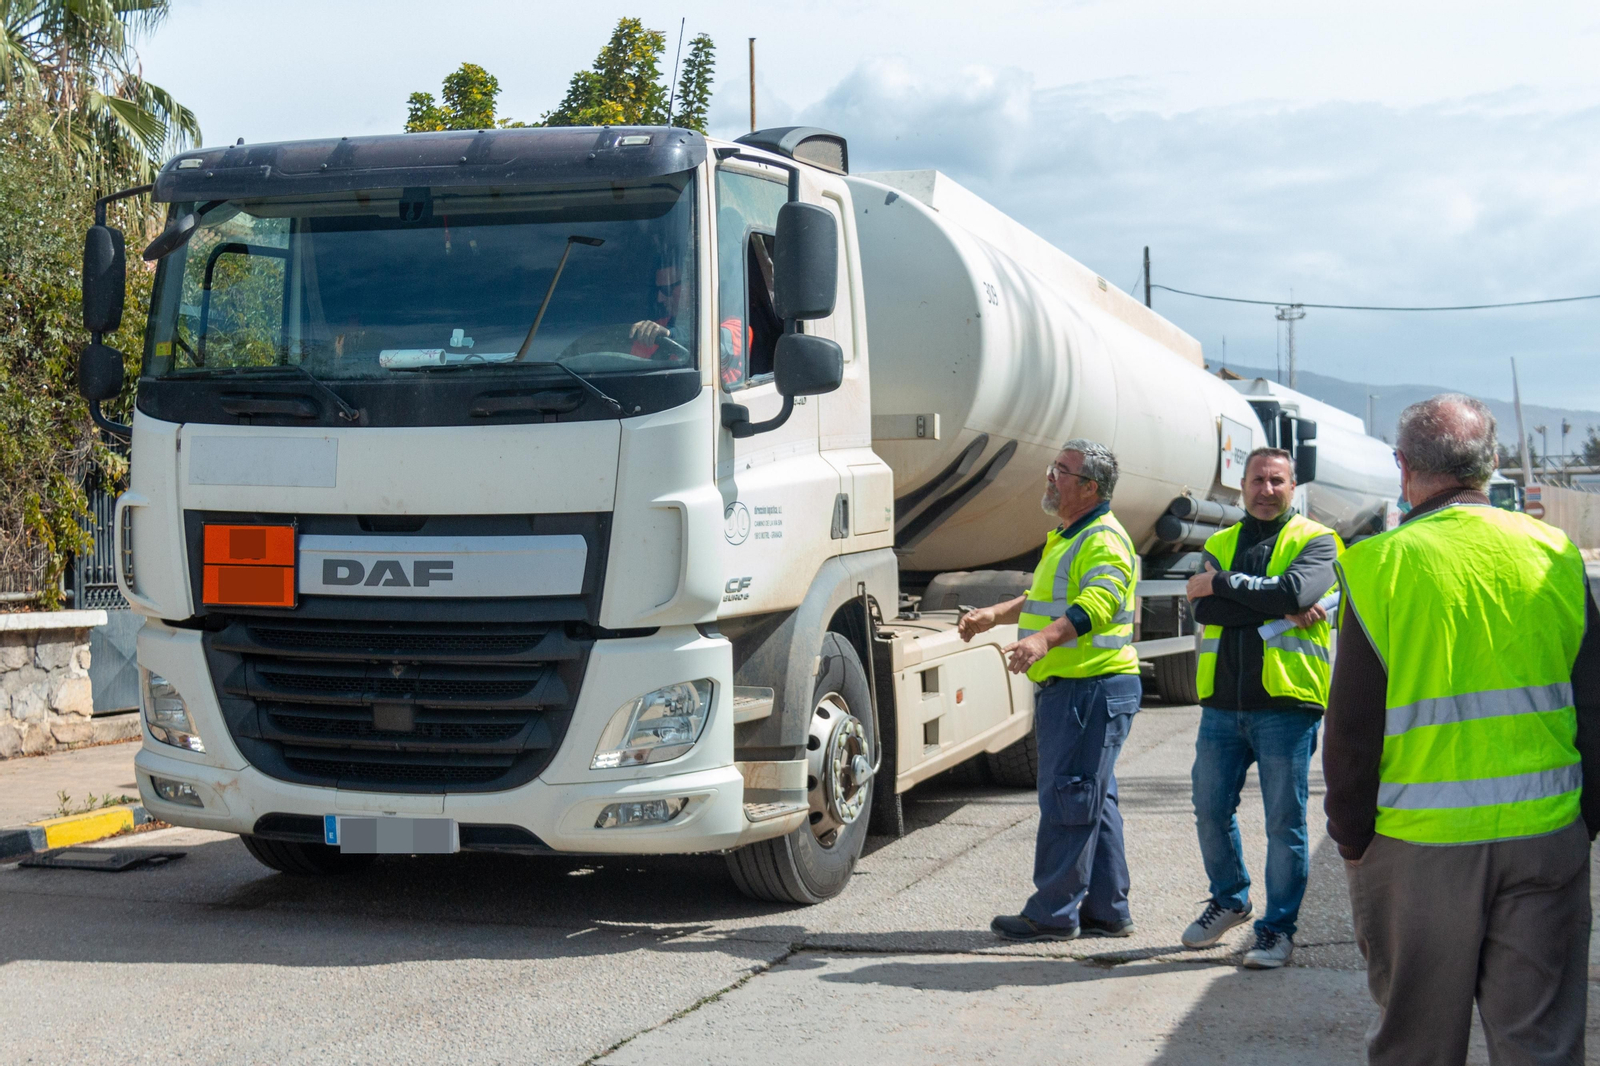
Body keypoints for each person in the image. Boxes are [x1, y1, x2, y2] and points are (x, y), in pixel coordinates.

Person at [1325, 394, 1600, 1066]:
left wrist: (1352, 837)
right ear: (1492, 462)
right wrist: (1584, 820)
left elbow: (1353, 728)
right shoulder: (1555, 553)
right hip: (1544, 836)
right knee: (1540, 1046)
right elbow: (1593, 702)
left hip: (1419, 848)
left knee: (1416, 1046)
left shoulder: (1380, 565)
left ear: (1403, 467)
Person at [959, 440, 1142, 941]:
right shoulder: (1068, 535)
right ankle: (1108, 910)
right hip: (1083, 689)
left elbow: (1099, 602)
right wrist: (996, 615)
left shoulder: (1102, 539)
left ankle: (1053, 914)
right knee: (1093, 798)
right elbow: (1045, 597)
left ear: (1090, 487)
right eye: (1054, 467)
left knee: (1070, 798)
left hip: (1089, 688)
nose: (1050, 476)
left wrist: (1043, 640)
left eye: (1062, 470)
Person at [1180, 447, 1342, 969]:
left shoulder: (1317, 539)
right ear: (1242, 485)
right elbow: (1205, 609)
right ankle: (1230, 899)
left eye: (1277, 481)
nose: (1266, 490)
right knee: (1209, 809)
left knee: (1283, 823)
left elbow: (1296, 590)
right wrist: (1276, 603)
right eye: (1257, 480)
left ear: (1293, 487)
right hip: (1221, 706)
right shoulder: (1219, 542)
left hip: (1286, 705)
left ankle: (1277, 931)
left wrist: (1226, 583)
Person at [629, 265, 691, 359]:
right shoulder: (648, 331)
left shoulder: (712, 327)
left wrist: (669, 333)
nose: (659, 298)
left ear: (689, 287)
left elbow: (697, 335)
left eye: (666, 289)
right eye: (656, 291)